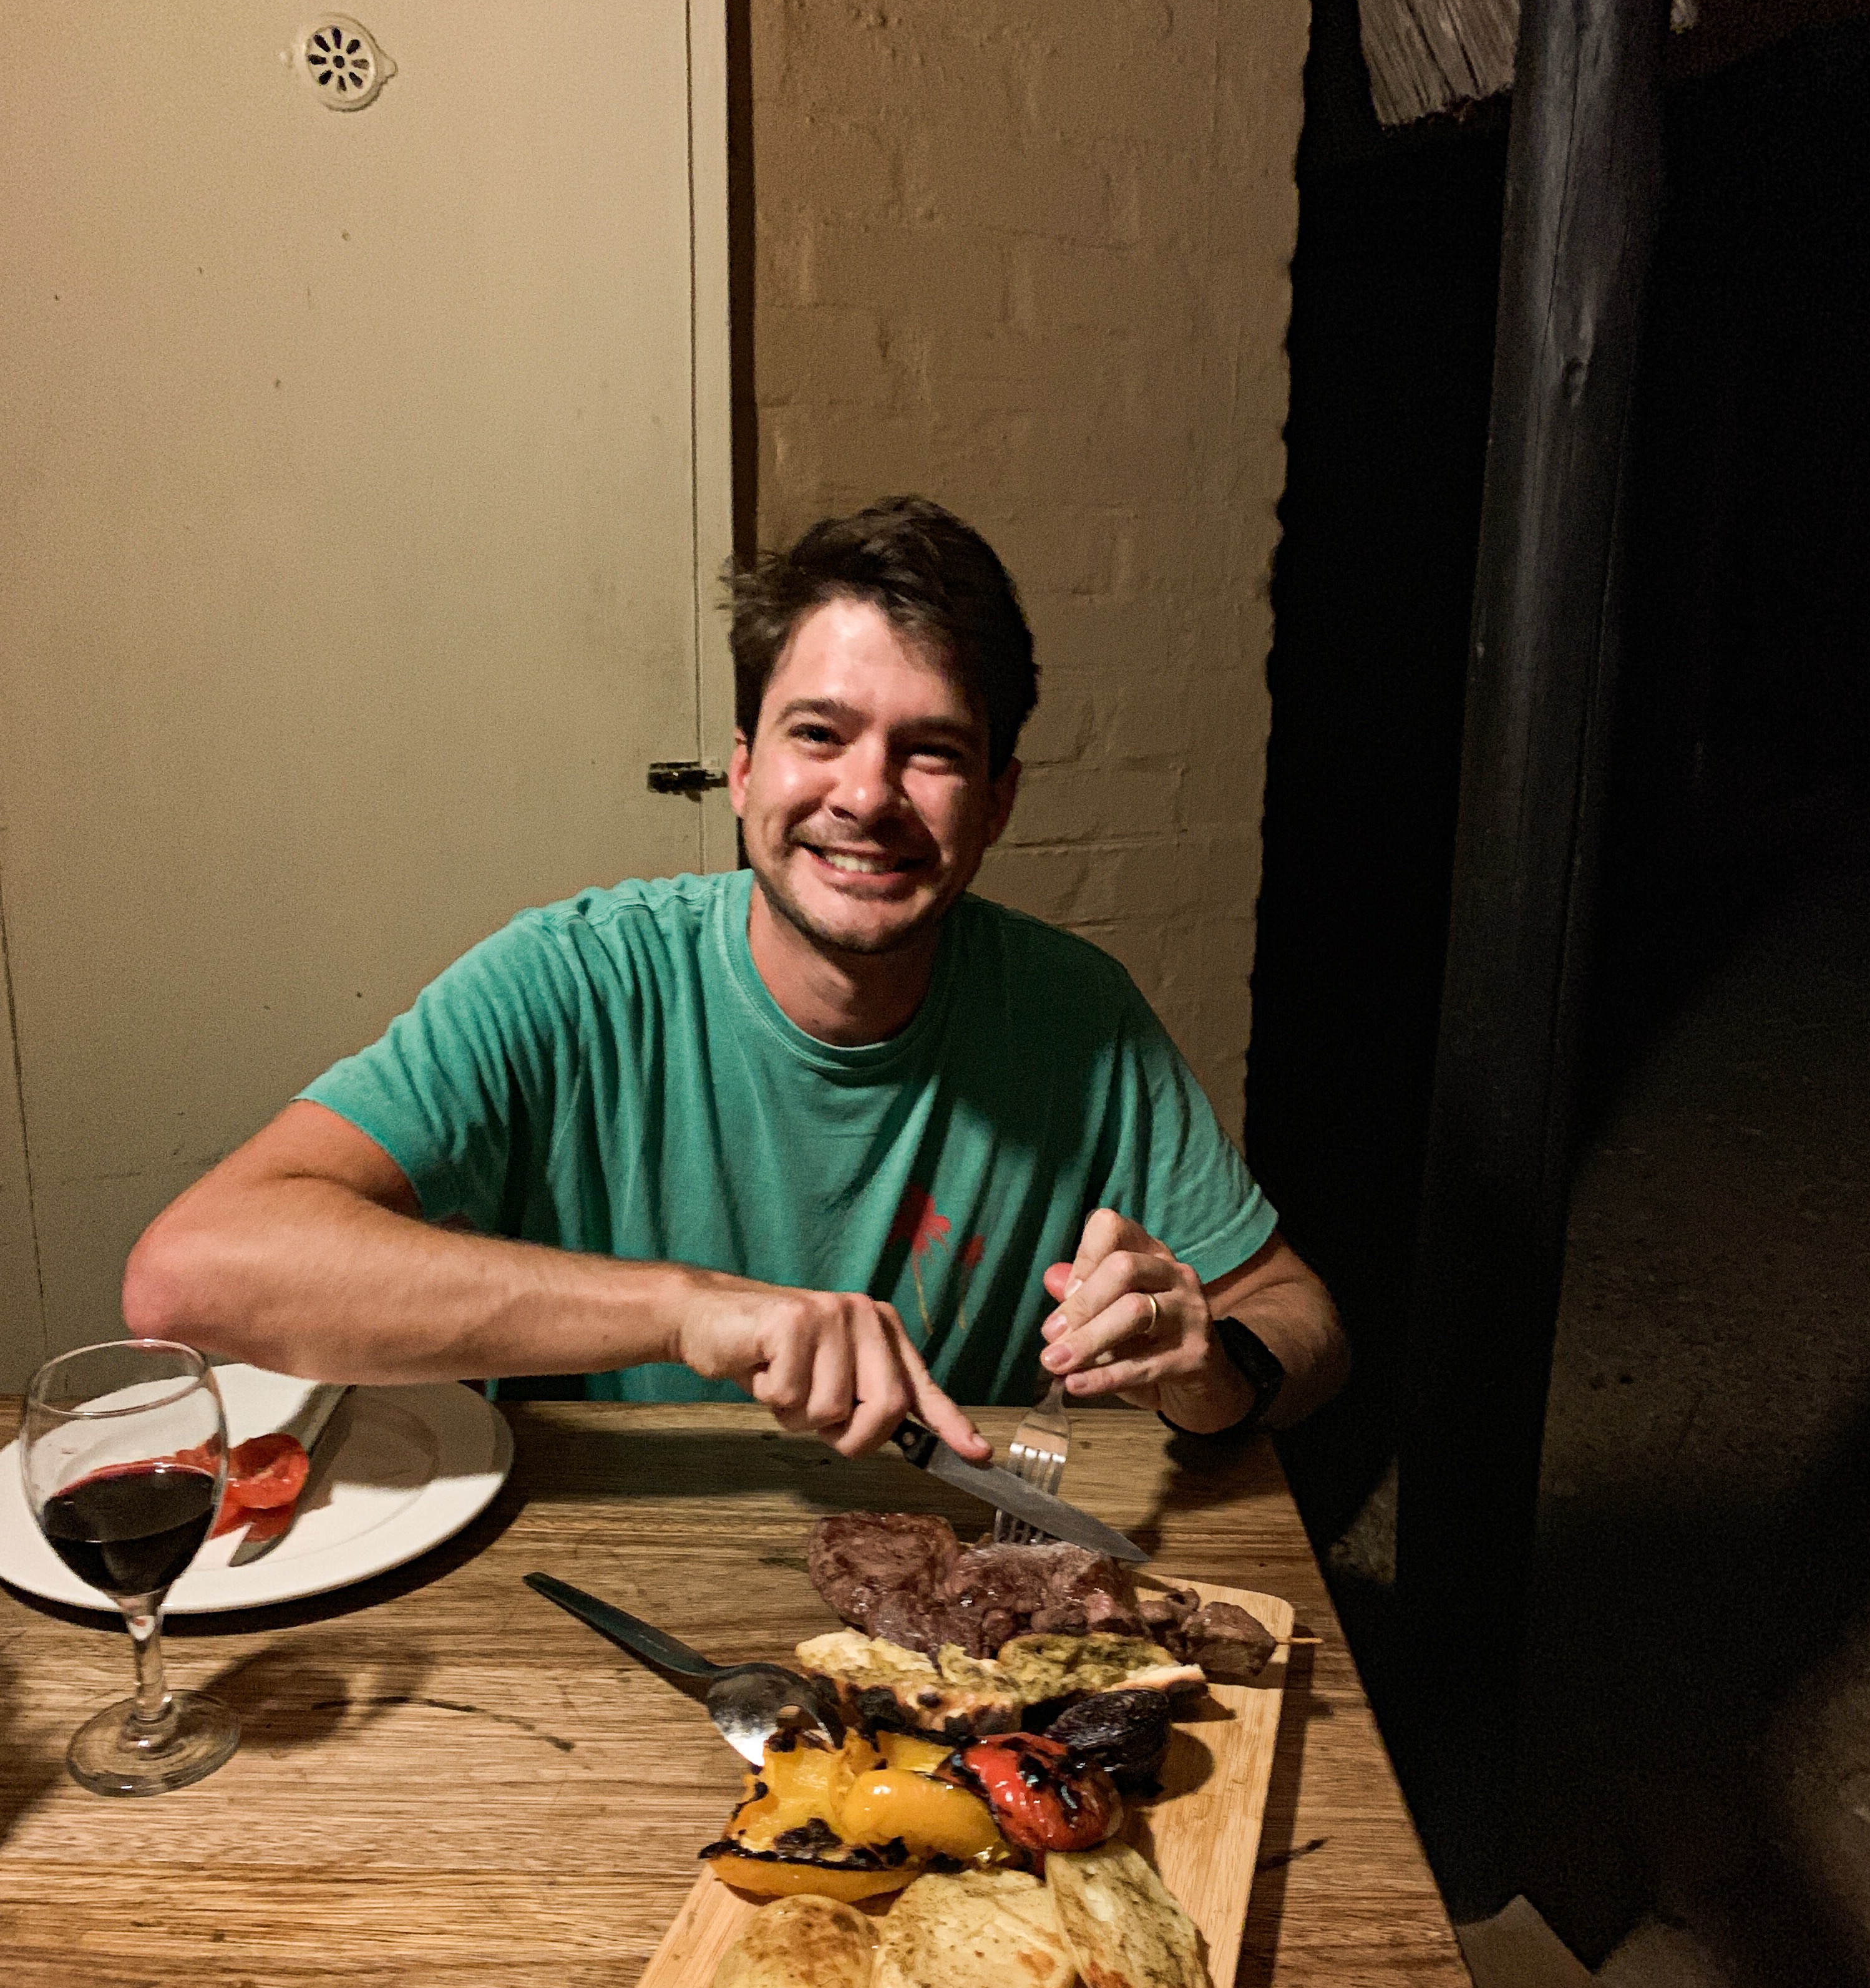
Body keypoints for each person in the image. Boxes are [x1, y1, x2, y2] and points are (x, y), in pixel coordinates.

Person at [124, 497, 1346, 1463]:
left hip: (932, 1595)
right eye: (820, 735)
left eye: (930, 752)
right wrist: (688, 1308)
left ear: (997, 804)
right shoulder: (576, 979)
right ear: (746, 771)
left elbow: (1305, 1322)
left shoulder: (1076, 1014)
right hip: (585, 1585)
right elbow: (191, 1274)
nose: (866, 796)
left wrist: (1212, 1368)